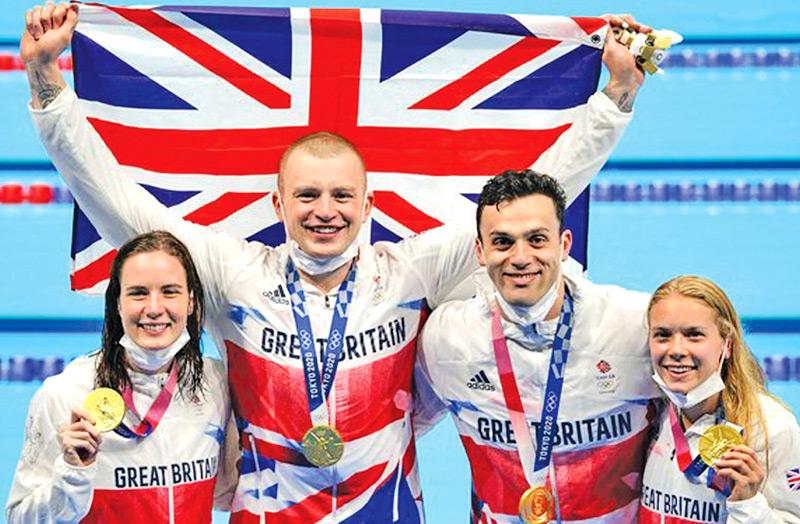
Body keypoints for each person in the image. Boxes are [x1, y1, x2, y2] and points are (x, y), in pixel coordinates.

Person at [22, 3, 649, 521]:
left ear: (368, 201)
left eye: (342, 195)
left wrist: (615, 99)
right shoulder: (233, 275)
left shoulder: (409, 270)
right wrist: (49, 87)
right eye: (308, 196)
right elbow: (119, 206)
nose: (326, 211)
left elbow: (533, 199)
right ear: (279, 202)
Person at [417, 170, 660, 522]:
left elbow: (717, 403)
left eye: (536, 239)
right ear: (480, 251)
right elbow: (400, 424)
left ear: (563, 245)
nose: (520, 257)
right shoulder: (448, 338)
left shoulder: (632, 325)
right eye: (502, 242)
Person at [6, 230, 237, 523]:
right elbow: (19, 518)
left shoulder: (215, 384)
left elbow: (230, 493)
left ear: (190, 302)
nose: (154, 309)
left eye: (170, 291)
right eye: (138, 293)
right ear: (117, 302)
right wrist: (73, 474)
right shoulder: (66, 394)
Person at [640, 275, 800, 523]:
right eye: (663, 335)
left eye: (694, 335)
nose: (677, 350)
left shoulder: (772, 426)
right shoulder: (653, 408)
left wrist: (747, 504)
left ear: (727, 345)